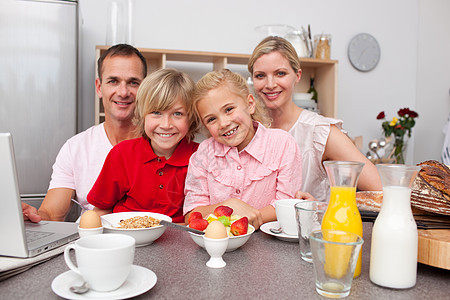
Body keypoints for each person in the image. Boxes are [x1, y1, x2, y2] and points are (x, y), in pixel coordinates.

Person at [22, 44, 147, 222]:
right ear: (99, 87)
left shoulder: (162, 146)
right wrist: (30, 216)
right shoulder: (75, 148)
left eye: (133, 82)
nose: (123, 92)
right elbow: (51, 214)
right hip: (90, 246)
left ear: (145, 89)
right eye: (113, 81)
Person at [248, 36, 382, 202]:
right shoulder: (247, 129)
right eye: (260, 76)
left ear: (297, 76)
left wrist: (322, 208)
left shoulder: (320, 132)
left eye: (280, 73)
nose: (270, 84)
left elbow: (381, 191)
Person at [183, 69, 303, 229]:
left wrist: (243, 217)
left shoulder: (282, 144)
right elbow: (191, 215)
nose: (224, 123)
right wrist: (229, 206)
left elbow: (287, 205)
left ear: (250, 104)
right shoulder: (204, 153)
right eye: (211, 119)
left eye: (229, 109)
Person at [87, 68, 199, 223]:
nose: (166, 125)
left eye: (178, 114)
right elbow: (101, 209)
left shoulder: (201, 157)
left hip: (180, 243)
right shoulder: (122, 154)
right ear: (141, 114)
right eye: (156, 113)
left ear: (191, 118)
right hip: (127, 238)